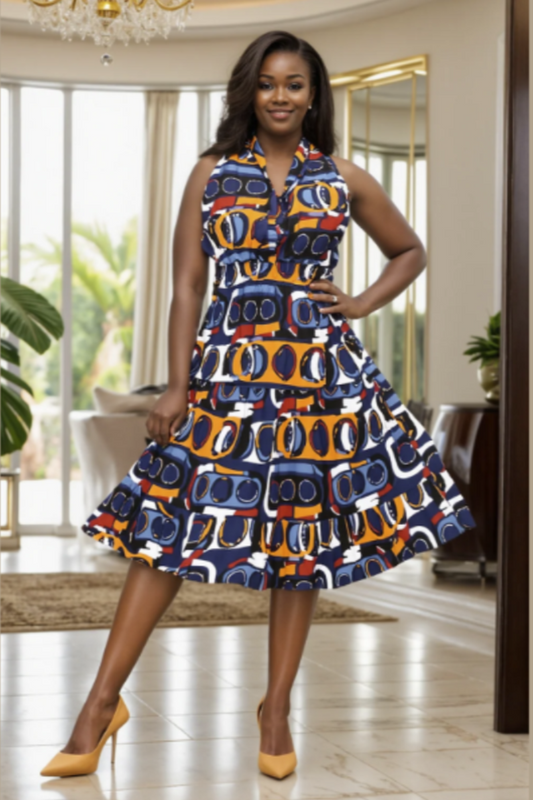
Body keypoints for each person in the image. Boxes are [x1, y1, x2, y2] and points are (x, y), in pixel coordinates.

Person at [40, 30, 476, 782]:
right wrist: (175, 385)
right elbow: (187, 285)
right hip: (224, 376)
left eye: (294, 84)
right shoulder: (211, 173)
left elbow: (410, 251)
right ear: (249, 91)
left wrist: (358, 302)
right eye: (268, 83)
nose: (280, 96)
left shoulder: (342, 178)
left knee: (299, 544)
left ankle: (275, 710)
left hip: (318, 378)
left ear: (313, 95)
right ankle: (99, 706)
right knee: (164, 530)